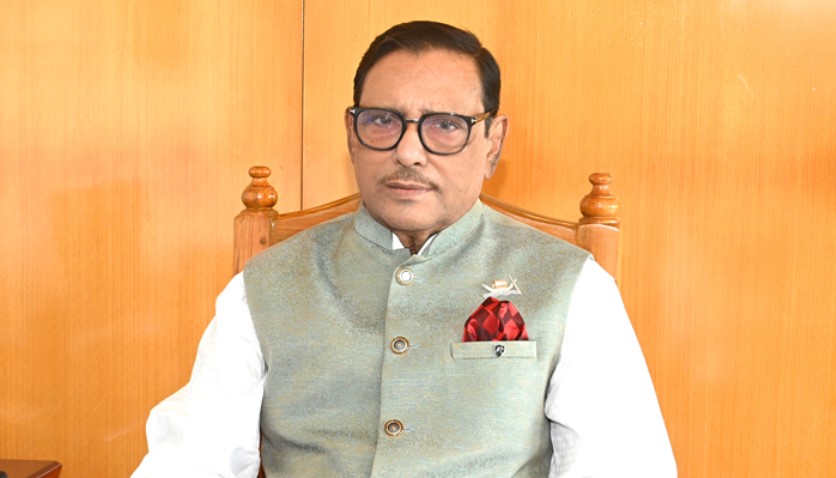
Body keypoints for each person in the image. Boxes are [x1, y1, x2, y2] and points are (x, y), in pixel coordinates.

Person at [133, 20, 677, 477]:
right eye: (382, 121)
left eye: (445, 126)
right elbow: (189, 459)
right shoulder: (265, 285)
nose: (409, 152)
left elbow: (621, 465)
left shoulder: (572, 286)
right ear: (352, 134)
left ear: (493, 143)